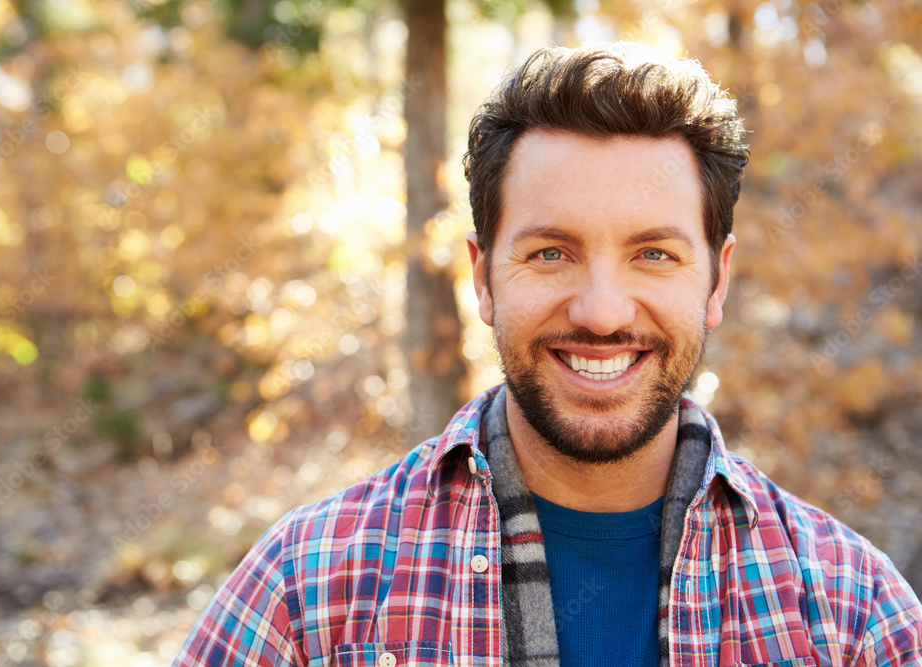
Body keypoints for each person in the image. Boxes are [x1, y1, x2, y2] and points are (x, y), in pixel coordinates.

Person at [172, 42, 922, 667]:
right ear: (483, 276)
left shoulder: (852, 614)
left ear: (718, 279)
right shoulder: (310, 591)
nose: (601, 311)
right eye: (552, 251)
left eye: (653, 253)